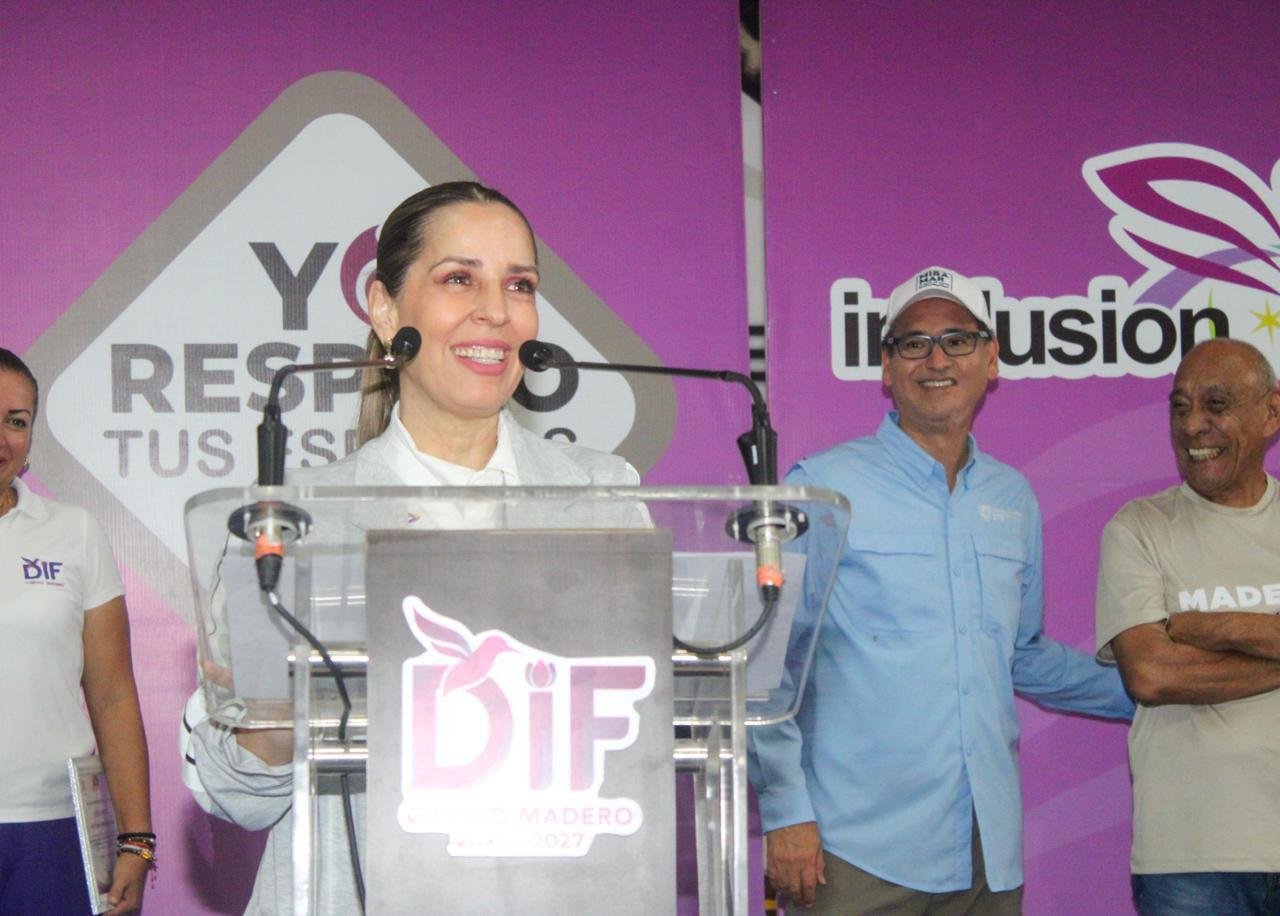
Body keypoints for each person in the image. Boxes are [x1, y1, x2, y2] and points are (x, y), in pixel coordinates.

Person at [180, 181, 639, 913]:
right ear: (386, 309)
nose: (496, 310)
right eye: (459, 279)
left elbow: (654, 739)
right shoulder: (295, 521)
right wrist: (268, 727)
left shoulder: (601, 495)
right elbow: (231, 793)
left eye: (519, 285)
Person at [749, 266, 1134, 913]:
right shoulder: (821, 488)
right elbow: (767, 661)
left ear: (991, 359)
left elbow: (1022, 654)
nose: (936, 359)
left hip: (986, 849)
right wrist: (785, 810)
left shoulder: (1012, 496)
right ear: (886, 367)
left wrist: (1156, 692)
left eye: (957, 340)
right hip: (855, 849)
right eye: (913, 343)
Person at [1095, 338, 1280, 916]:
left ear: (1271, 412)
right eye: (1179, 407)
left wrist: (1211, 627)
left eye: (1216, 405)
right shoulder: (1140, 528)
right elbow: (1152, 675)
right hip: (1190, 859)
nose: (1193, 425)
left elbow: (1178, 657)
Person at [0, 348, 153, 915]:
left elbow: (112, 695)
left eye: (16, 421)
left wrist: (136, 840)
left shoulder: (73, 532)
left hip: (52, 832)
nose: (2, 438)